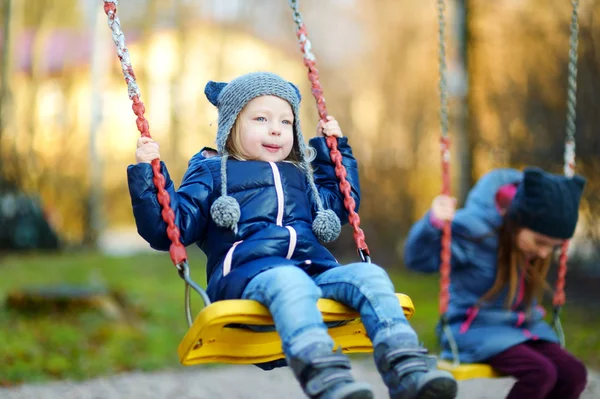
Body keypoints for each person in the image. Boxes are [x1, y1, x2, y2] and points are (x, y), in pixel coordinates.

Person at [128, 71, 457, 399]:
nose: (275, 128)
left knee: (369, 276)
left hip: (312, 274)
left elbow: (342, 205)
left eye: (286, 122)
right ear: (230, 127)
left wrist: (333, 152)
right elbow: (171, 228)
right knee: (288, 279)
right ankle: (325, 376)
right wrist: (148, 173)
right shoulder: (212, 172)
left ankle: (408, 370)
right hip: (247, 281)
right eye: (261, 118)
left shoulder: (301, 176)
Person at [404, 167, 588, 399]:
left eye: (553, 246)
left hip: (523, 327)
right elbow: (418, 260)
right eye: (540, 242)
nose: (544, 253)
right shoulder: (474, 232)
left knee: (574, 373)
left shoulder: (530, 242)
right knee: (540, 372)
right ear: (516, 223)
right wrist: (432, 224)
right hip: (474, 328)